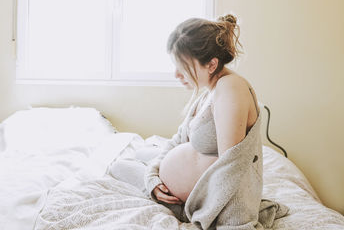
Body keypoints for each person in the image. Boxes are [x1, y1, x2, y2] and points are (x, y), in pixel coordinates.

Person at [108, 14, 266, 227]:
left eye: (183, 67)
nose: (176, 74)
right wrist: (153, 178)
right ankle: (152, 173)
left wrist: (229, 222)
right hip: (173, 188)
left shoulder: (231, 89)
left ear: (211, 64)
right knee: (136, 155)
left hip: (197, 202)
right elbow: (176, 142)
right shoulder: (207, 92)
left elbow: (231, 166)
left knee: (121, 166)